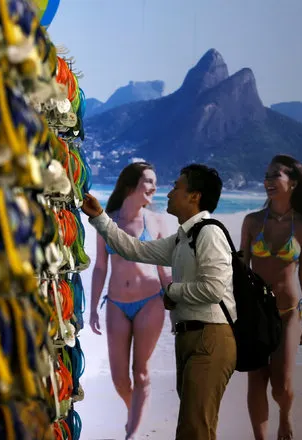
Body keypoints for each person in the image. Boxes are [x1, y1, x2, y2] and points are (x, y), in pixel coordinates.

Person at [82, 164, 237, 440]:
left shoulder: (209, 233)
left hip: (209, 336)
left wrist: (171, 293)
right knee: (197, 425)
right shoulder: (183, 237)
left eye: (177, 187)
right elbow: (135, 249)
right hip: (191, 336)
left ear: (194, 196)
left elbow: (214, 289)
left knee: (194, 428)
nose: (169, 192)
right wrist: (100, 218)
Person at [240, 155, 302, 440]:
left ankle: (285, 415)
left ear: (292, 183)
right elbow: (241, 268)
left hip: (288, 312)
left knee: (280, 386)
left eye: (275, 176)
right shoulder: (252, 221)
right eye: (266, 176)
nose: (268, 181)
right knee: (256, 380)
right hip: (256, 314)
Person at [88, 162, 172, 440]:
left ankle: (132, 433)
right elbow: (100, 266)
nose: (154, 187)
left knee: (141, 371)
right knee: (119, 378)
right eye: (148, 181)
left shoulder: (157, 221)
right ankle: (135, 411)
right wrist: (93, 308)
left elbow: (164, 271)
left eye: (154, 182)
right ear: (130, 185)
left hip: (151, 301)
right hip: (116, 305)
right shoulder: (107, 220)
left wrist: (178, 305)